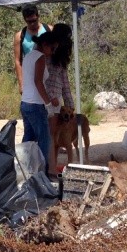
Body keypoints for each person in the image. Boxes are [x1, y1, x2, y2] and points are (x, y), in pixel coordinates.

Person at [20, 30, 60, 177]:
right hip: (36, 105)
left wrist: (49, 99)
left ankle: (24, 170)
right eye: (52, 48)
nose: (52, 52)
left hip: (25, 102)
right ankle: (42, 174)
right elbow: (38, 82)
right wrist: (48, 104)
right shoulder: (40, 57)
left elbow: (34, 82)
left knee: (28, 140)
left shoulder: (28, 56)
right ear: (44, 45)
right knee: (44, 140)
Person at [46, 23, 74, 171]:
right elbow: (40, 79)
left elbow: (65, 82)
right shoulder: (46, 51)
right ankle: (48, 169)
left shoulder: (60, 57)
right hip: (45, 99)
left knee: (52, 137)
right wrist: (50, 96)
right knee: (48, 137)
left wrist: (70, 105)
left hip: (55, 101)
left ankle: (50, 168)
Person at [14, 4, 51, 94]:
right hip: (30, 78)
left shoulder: (49, 30)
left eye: (34, 20)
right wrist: (21, 84)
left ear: (38, 16)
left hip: (49, 77)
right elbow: (18, 61)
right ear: (25, 20)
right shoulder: (19, 36)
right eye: (29, 21)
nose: (32, 24)